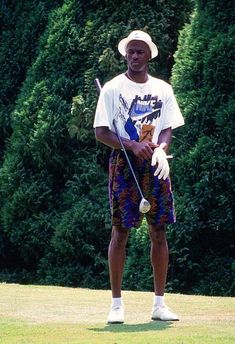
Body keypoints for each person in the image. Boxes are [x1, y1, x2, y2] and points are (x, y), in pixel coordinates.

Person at [93, 30, 184, 324]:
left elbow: (168, 126)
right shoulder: (112, 88)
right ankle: (116, 305)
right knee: (120, 231)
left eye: (139, 52)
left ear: (149, 56)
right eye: (130, 52)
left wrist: (161, 150)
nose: (134, 56)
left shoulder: (163, 89)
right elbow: (101, 132)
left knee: (159, 231)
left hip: (156, 164)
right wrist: (132, 145)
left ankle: (159, 304)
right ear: (125, 55)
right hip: (124, 164)